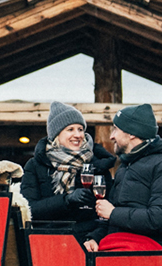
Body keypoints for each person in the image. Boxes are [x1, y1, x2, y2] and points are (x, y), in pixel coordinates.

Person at [85, 103, 162, 253]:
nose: (111, 136)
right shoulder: (125, 167)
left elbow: (159, 219)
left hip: (150, 253)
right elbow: (111, 218)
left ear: (131, 133)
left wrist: (114, 213)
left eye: (115, 129)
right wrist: (94, 238)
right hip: (118, 246)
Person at [18, 102, 114, 239]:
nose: (78, 135)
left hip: (86, 241)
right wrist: (66, 200)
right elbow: (29, 209)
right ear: (56, 134)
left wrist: (94, 238)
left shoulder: (97, 163)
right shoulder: (35, 165)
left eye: (80, 129)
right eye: (70, 129)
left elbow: (106, 213)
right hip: (47, 239)